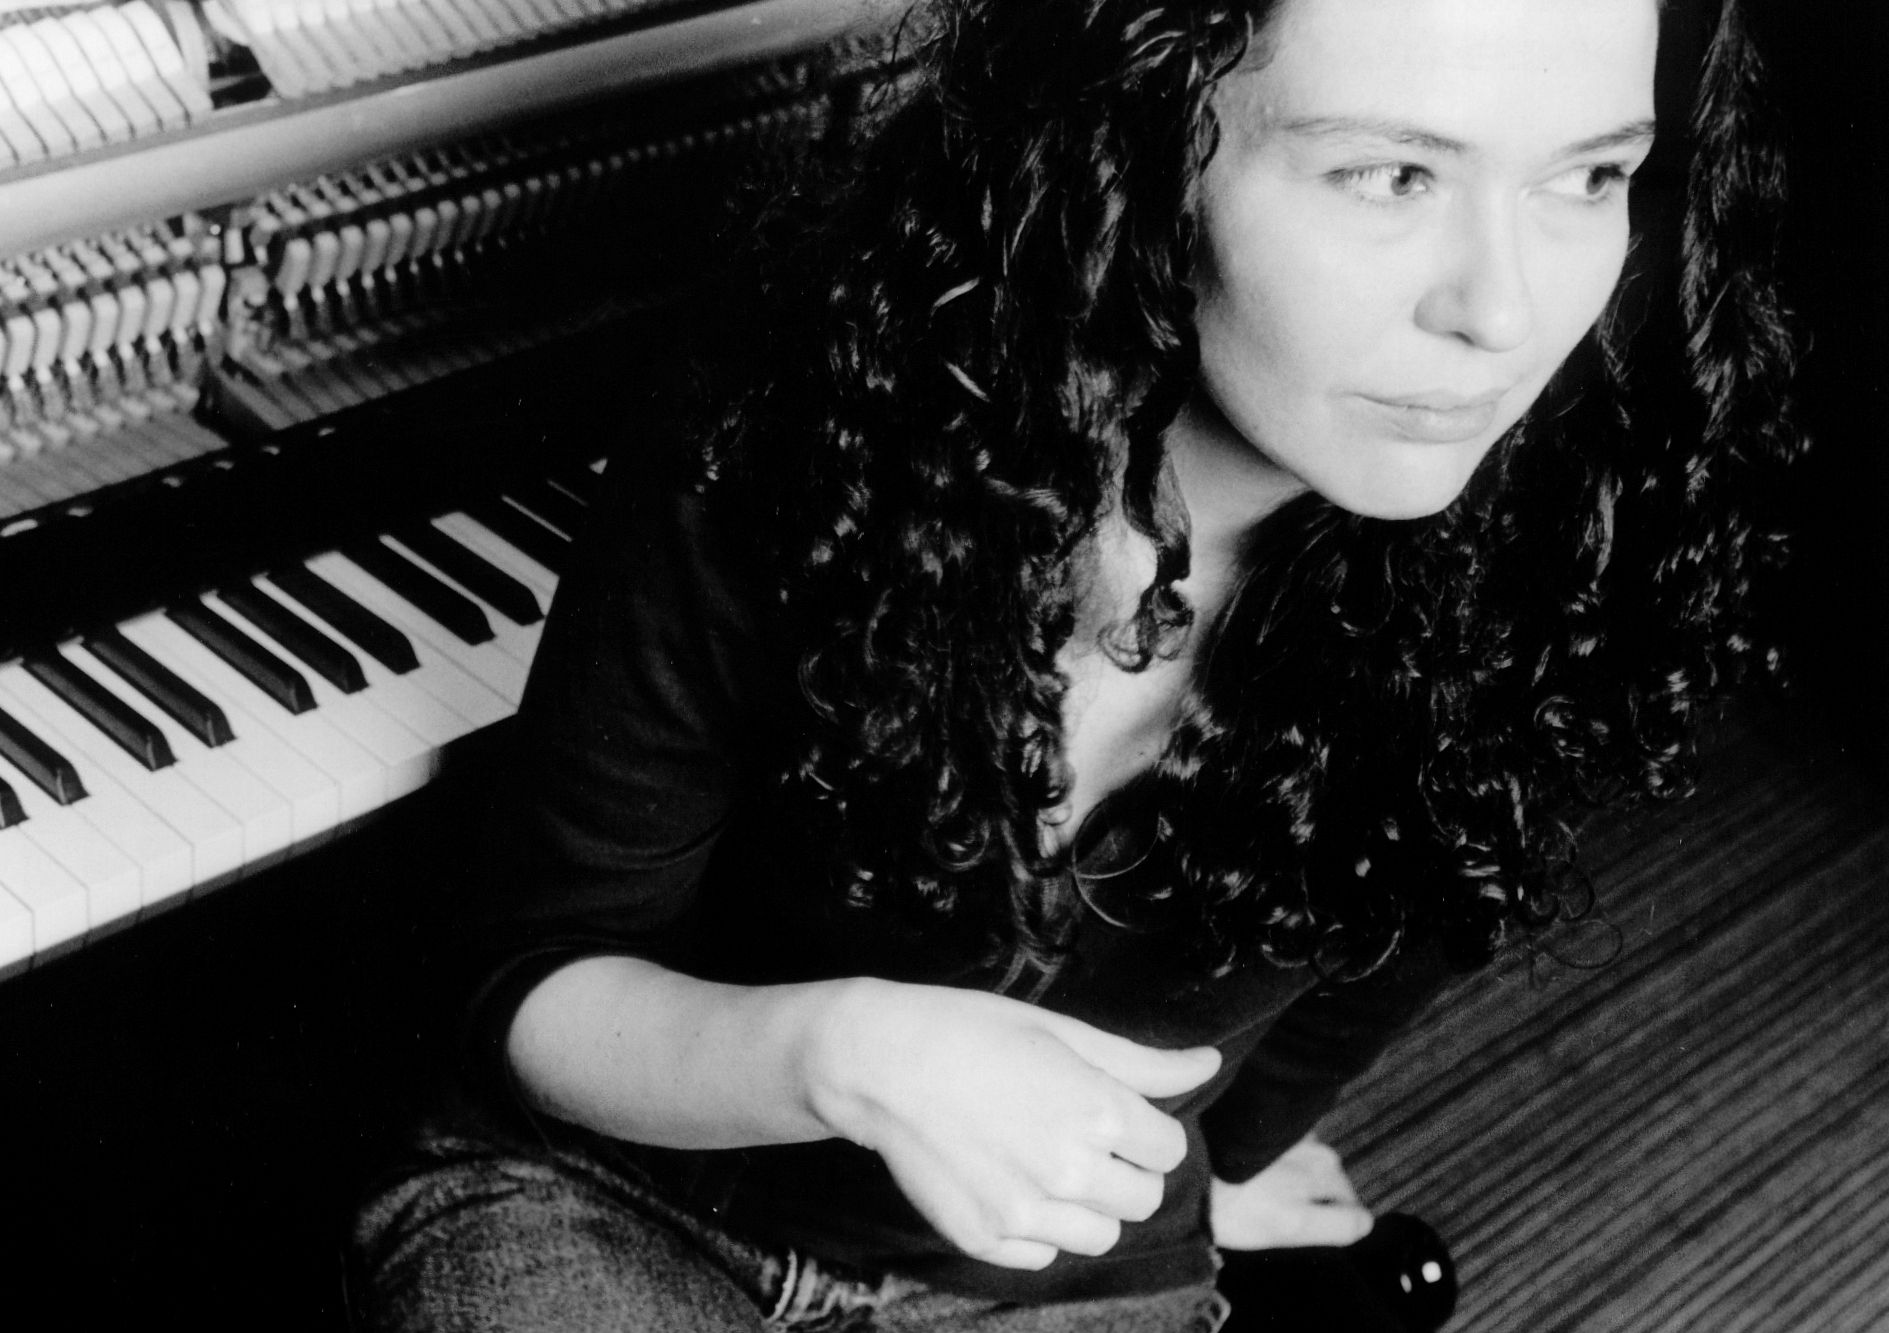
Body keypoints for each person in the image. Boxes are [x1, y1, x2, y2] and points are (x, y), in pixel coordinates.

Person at [349, 0, 1801, 1327]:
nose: (1502, 312)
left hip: (1064, 1283)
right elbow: (525, 984)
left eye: (1589, 177)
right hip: (617, 1194)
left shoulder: (1568, 562)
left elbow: (1379, 969)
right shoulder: (795, 425)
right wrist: (841, 1053)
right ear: (1134, 145)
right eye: (1389, 175)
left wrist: (1220, 1167)